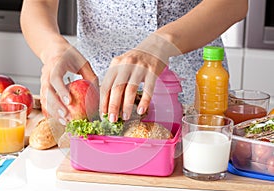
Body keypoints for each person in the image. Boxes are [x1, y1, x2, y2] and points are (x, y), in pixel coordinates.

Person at [20, 0, 248, 125]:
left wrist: (162, 43)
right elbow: (38, 4)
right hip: (99, 105)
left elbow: (234, 3)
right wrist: (53, 49)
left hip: (198, 100)